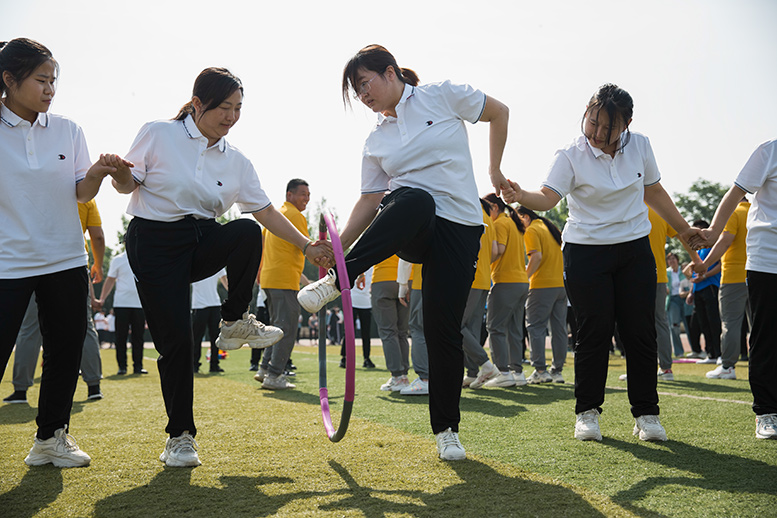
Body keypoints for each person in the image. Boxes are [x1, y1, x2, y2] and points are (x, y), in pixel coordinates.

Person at [109, 67, 332, 467]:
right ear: (197, 103)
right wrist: (121, 174)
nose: (231, 116)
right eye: (223, 107)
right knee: (177, 343)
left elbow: (265, 211)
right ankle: (180, 437)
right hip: (154, 242)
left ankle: (234, 321)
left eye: (238, 108)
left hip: (202, 237)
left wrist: (307, 245)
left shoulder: (237, 160)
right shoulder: (159, 133)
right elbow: (127, 184)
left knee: (246, 231)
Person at [298, 44, 511, 460]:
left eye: (365, 83)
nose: (363, 95)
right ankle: (338, 279)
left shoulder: (442, 95)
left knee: (441, 329)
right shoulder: (376, 139)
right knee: (415, 199)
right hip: (414, 224)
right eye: (357, 91)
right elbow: (368, 200)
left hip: (460, 228)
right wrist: (338, 249)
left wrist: (495, 169)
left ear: (391, 72)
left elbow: (499, 111)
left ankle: (447, 430)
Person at [504, 83, 703, 442]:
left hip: (635, 248)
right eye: (592, 122)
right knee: (593, 332)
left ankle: (646, 414)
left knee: (640, 332)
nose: (596, 133)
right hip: (586, 252)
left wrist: (685, 230)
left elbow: (654, 191)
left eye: (607, 127)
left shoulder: (640, 145)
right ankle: (587, 412)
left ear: (626, 124)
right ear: (586, 112)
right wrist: (521, 195)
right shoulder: (569, 155)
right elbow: (547, 197)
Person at [0, 37, 128, 467]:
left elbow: (81, 192)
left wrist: (97, 173)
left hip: (65, 260)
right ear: (9, 80)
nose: (50, 89)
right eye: (41, 80)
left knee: (65, 351)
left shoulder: (68, 129)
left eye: (53, 80)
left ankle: (50, 439)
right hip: (7, 263)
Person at [698, 139, 777, 439]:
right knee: (765, 335)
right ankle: (766, 412)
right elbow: (735, 192)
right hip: (767, 258)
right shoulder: (769, 151)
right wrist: (712, 231)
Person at [3, 199, 107, 404]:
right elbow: (97, 235)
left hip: (31, 264)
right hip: (71, 265)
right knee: (84, 327)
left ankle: (21, 390)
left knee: (30, 330)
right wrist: (99, 264)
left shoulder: (33, 189)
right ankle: (93, 385)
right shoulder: (85, 195)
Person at [257, 178, 312, 390]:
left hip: (269, 278)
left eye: (308, 195)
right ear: (290, 194)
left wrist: (259, 272)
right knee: (286, 328)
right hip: (284, 280)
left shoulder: (275, 216)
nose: (307, 199)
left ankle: (265, 369)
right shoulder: (295, 216)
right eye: (303, 194)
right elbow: (307, 248)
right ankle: (274, 375)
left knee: (276, 327)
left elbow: (262, 247)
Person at [471, 194, 529, 389]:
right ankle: (517, 372)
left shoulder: (501, 224)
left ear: (494, 207)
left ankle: (503, 372)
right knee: (514, 329)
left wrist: (483, 263)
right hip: (521, 281)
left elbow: (498, 250)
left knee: (495, 327)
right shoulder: (513, 223)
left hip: (506, 281)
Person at [697, 197, 750, 380]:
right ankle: (764, 365)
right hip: (759, 274)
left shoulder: (733, 213)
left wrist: (705, 264)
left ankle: (727, 366)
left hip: (734, 277)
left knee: (730, 323)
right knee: (760, 324)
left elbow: (725, 241)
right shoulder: (758, 212)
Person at [516, 206, 567, 384]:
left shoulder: (532, 230)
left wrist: (524, 278)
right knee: (559, 329)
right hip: (560, 285)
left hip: (542, 285)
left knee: (535, 327)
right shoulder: (550, 227)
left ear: (525, 216)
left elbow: (536, 257)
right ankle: (557, 371)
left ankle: (540, 370)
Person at [462, 198, 500, 388]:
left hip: (470, 278)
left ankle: (485, 365)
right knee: (472, 328)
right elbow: (494, 251)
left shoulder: (468, 212)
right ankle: (472, 372)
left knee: (456, 324)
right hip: (484, 278)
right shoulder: (488, 219)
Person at [97, 251, 147, 375]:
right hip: (121, 303)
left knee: (138, 337)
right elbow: (110, 280)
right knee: (121, 337)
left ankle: (138, 366)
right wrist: (102, 299)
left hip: (139, 303)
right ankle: (122, 366)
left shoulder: (144, 257)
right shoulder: (118, 259)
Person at [371, 255, 411, 392]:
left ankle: (397, 376)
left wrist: (360, 275)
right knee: (402, 332)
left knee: (388, 331)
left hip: (382, 279)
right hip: (408, 278)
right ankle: (403, 376)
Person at [686, 220, 722, 365]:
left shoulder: (714, 245)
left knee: (714, 322)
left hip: (711, 287)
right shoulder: (697, 250)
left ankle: (719, 354)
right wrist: (691, 292)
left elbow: (721, 265)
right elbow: (695, 273)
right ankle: (711, 354)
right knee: (704, 323)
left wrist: (705, 276)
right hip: (698, 290)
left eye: (697, 229)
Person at [191, 269, 228, 373]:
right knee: (197, 337)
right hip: (199, 305)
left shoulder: (217, 264)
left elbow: (224, 280)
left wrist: (235, 295)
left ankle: (214, 365)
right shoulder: (193, 263)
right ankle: (194, 365)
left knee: (216, 337)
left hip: (215, 304)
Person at [342, 267, 375, 368]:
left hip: (366, 303)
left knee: (366, 333)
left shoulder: (374, 267)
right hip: (352, 301)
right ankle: (344, 357)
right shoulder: (357, 263)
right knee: (349, 331)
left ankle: (366, 358)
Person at [665, 253, 686, 357]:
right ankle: (679, 351)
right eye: (669, 259)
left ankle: (696, 350)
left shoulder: (683, 271)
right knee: (674, 326)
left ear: (677, 260)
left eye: (673, 258)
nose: (671, 261)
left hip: (685, 299)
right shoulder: (666, 272)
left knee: (690, 325)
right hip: (673, 300)